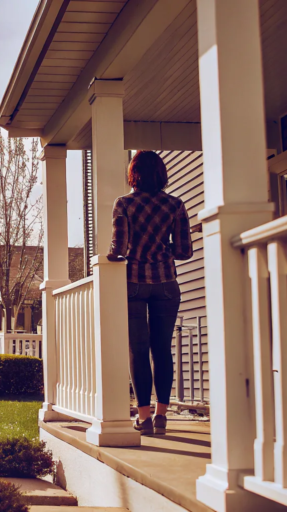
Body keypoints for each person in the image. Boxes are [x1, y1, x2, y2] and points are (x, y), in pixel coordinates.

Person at [107, 151, 193, 436]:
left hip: (133, 284)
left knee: (138, 350)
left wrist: (123, 253)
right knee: (162, 349)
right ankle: (161, 416)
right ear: (161, 173)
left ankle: (143, 418)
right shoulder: (175, 205)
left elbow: (118, 250)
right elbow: (184, 252)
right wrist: (162, 249)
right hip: (166, 284)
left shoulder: (124, 204)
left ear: (134, 173)